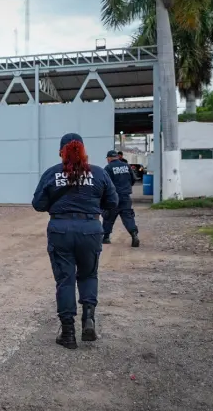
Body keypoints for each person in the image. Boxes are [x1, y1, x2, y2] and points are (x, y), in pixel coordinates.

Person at [32, 133, 118, 350]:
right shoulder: (98, 173)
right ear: (83, 150)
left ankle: (68, 333)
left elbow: (38, 204)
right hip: (90, 229)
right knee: (88, 275)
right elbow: (113, 201)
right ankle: (88, 319)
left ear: (62, 152)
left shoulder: (52, 174)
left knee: (65, 280)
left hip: (60, 230)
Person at [102, 150, 140, 247]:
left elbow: (105, 183)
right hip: (125, 197)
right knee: (128, 216)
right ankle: (134, 234)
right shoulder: (126, 166)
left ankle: (106, 237)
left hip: (113, 197)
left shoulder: (108, 168)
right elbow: (133, 179)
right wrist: (126, 188)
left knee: (109, 217)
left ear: (109, 158)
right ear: (117, 157)